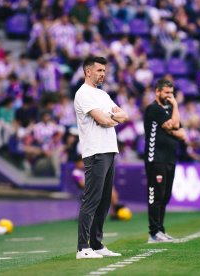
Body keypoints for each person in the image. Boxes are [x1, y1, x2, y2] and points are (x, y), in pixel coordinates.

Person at [74, 56, 129, 259]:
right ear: (88, 71)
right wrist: (112, 117)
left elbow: (125, 115)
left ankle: (97, 245)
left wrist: (110, 117)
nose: (103, 74)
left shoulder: (103, 95)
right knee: (92, 200)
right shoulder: (83, 94)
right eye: (99, 70)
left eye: (104, 71)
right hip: (95, 151)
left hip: (109, 149)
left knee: (105, 201)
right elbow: (103, 120)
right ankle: (82, 247)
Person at [144, 79, 187, 243]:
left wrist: (174, 129)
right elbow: (174, 125)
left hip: (169, 158)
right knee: (156, 195)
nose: (170, 96)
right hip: (156, 158)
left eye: (172, 93)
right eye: (167, 93)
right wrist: (176, 106)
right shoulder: (153, 109)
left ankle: (160, 230)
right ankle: (153, 232)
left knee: (166, 196)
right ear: (158, 92)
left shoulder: (168, 110)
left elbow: (182, 133)